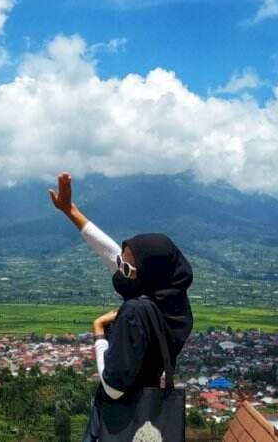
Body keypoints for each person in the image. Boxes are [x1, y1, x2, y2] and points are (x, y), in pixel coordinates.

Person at [49, 171, 194, 441]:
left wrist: (99, 334)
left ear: (147, 272)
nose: (120, 269)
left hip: (120, 417)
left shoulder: (135, 313)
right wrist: (71, 212)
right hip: (146, 410)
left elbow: (113, 387)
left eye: (128, 266)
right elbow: (112, 254)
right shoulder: (172, 304)